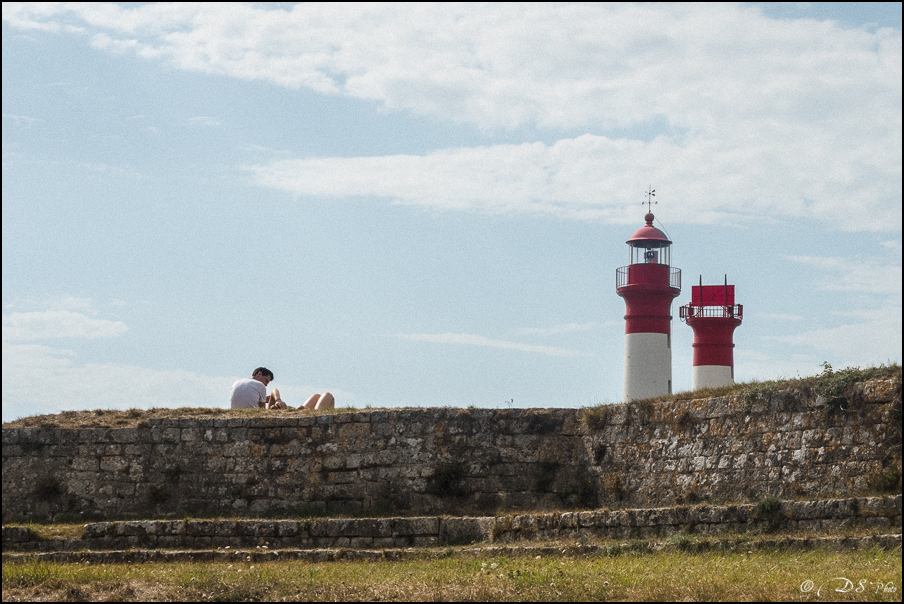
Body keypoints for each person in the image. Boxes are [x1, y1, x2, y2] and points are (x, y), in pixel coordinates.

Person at [229, 367, 335, 410]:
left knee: (316, 396)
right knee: (327, 395)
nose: (266, 385)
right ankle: (314, 416)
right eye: (266, 381)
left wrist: (275, 401)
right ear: (259, 374)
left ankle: (305, 411)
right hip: (292, 413)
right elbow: (261, 412)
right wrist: (278, 401)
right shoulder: (259, 385)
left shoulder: (237, 382)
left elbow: (274, 391)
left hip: (291, 411)